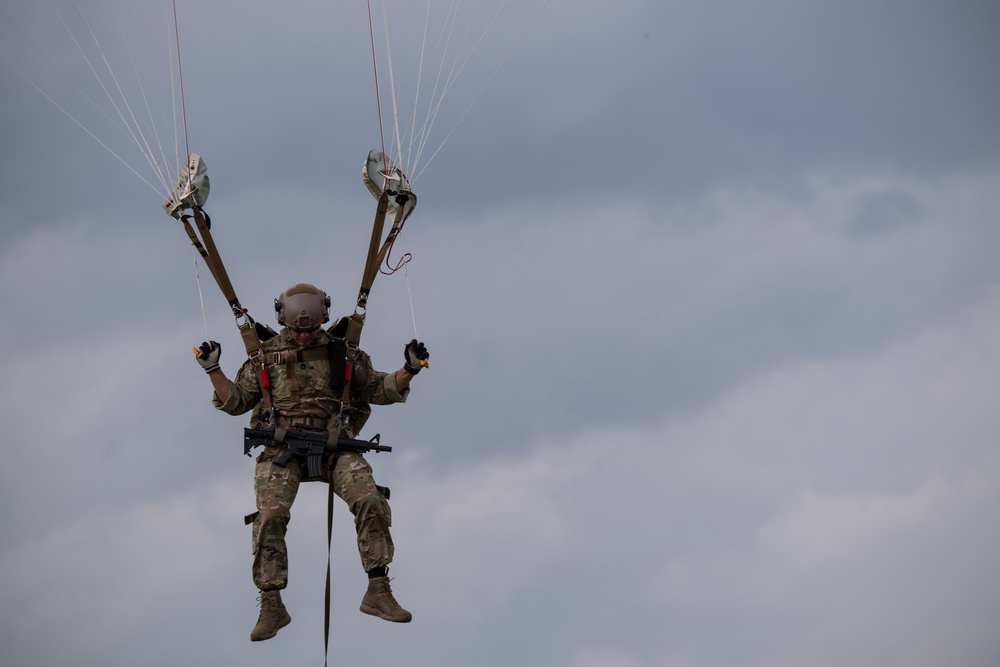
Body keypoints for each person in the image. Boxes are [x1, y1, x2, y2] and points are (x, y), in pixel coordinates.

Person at [193, 282, 429, 641]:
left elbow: (380, 389)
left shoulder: (342, 354)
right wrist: (213, 370)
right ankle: (272, 603)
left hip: (335, 446)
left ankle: (378, 590)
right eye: (297, 329)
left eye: (310, 329)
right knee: (270, 514)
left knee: (368, 498)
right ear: (283, 322)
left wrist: (409, 368)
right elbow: (236, 402)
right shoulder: (265, 357)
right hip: (281, 448)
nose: (303, 336)